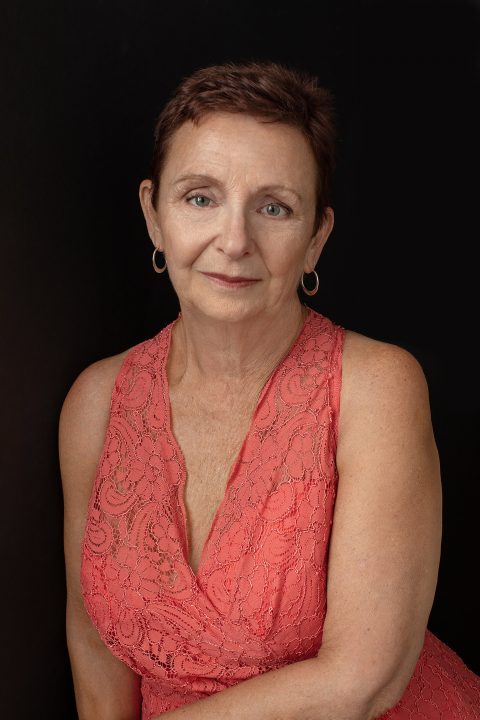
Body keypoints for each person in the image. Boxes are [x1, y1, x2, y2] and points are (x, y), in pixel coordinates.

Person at [59, 61, 480, 720]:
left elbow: (361, 682)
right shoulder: (96, 401)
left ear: (315, 239)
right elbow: (94, 645)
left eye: (275, 208)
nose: (233, 241)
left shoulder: (376, 388)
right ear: (153, 215)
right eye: (200, 197)